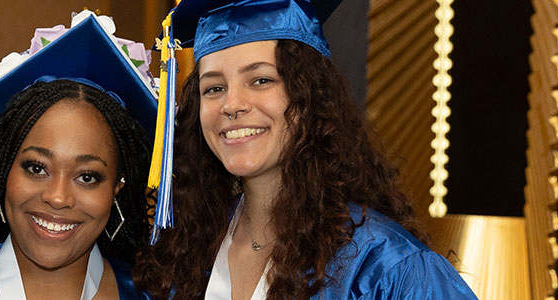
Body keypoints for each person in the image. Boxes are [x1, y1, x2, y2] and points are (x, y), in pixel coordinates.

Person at [134, 0, 478, 299]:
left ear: (308, 97)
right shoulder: (190, 252)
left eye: (261, 80)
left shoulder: (386, 269)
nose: (232, 104)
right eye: (213, 88)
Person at [0, 11, 157, 300]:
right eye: (37, 168)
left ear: (118, 186)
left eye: (87, 176)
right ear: (5, 171)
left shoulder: (155, 295)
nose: (57, 197)